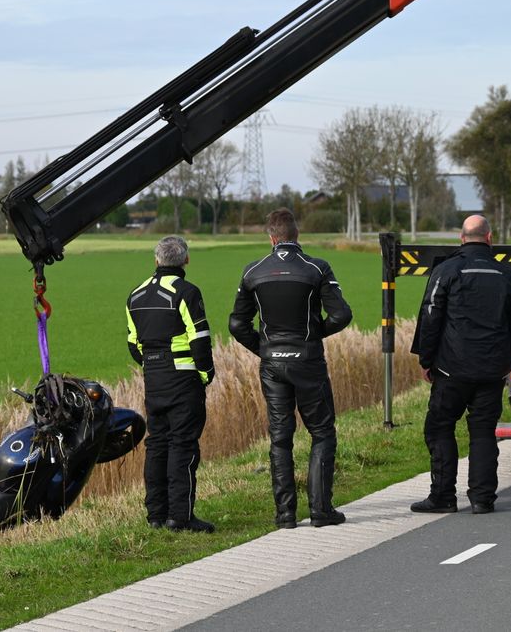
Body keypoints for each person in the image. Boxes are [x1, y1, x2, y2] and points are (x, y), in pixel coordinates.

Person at [228, 208, 353, 529]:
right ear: (297, 235)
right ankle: (321, 511)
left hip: (273, 365)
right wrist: (312, 336)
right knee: (322, 432)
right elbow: (341, 315)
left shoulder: (252, 271)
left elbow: (237, 323)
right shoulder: (317, 268)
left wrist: (264, 349)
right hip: (307, 360)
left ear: (271, 237)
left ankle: (285, 515)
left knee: (280, 437)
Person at [409, 215, 511, 515]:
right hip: (492, 370)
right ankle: (482, 498)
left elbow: (430, 316)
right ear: (490, 238)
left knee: (439, 428)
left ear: (461, 239)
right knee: (484, 432)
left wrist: (426, 358)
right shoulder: (508, 275)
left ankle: (443, 496)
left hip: (452, 368)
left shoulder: (445, 271)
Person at [125, 236, 217, 532]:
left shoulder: (134, 294)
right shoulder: (187, 292)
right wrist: (205, 373)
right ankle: (181, 516)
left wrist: (153, 366)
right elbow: (199, 338)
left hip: (153, 378)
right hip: (183, 377)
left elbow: (133, 344)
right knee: (182, 445)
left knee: (157, 444)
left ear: (156, 260)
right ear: (186, 260)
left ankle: (155, 515)